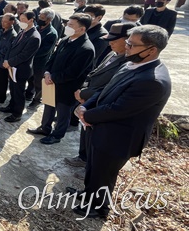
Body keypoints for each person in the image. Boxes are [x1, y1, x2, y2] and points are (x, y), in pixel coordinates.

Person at [71, 25, 171, 218]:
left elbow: (119, 109)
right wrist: (86, 106)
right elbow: (105, 90)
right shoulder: (130, 63)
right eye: (127, 42)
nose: (126, 47)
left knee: (104, 173)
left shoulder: (153, 81)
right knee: (93, 167)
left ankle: (99, 208)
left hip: (118, 137)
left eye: (132, 45)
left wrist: (86, 115)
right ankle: (88, 195)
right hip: (100, 128)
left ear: (151, 50)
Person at [64, 22, 134, 174]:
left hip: (99, 102)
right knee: (86, 132)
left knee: (95, 139)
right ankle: (82, 158)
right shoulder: (112, 53)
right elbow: (94, 73)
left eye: (115, 39)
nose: (111, 43)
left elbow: (110, 88)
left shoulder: (128, 63)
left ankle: (90, 166)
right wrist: (82, 90)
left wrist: (85, 96)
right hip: (88, 100)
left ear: (128, 40)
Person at [27, 14, 95, 144]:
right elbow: (52, 58)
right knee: (48, 106)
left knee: (63, 112)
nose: (66, 27)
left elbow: (73, 73)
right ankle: (45, 128)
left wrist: (53, 77)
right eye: (67, 24)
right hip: (51, 82)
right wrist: (47, 72)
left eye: (71, 25)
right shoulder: (65, 40)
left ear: (82, 29)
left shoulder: (86, 48)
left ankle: (57, 135)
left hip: (66, 87)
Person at [0, 11, 41, 122]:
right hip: (11, 66)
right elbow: (12, 47)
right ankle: (11, 106)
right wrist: (6, 60)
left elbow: (24, 55)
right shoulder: (23, 31)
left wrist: (10, 62)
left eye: (23, 19)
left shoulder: (34, 37)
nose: (21, 21)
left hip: (21, 69)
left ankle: (17, 114)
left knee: (19, 92)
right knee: (13, 89)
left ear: (31, 20)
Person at [28, 8, 59, 109]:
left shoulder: (52, 33)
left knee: (39, 83)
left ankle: (36, 100)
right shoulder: (37, 27)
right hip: (31, 59)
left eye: (42, 18)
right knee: (30, 79)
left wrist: (29, 53)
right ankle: (28, 94)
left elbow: (45, 51)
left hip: (41, 62)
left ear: (49, 20)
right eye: (39, 17)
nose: (39, 19)